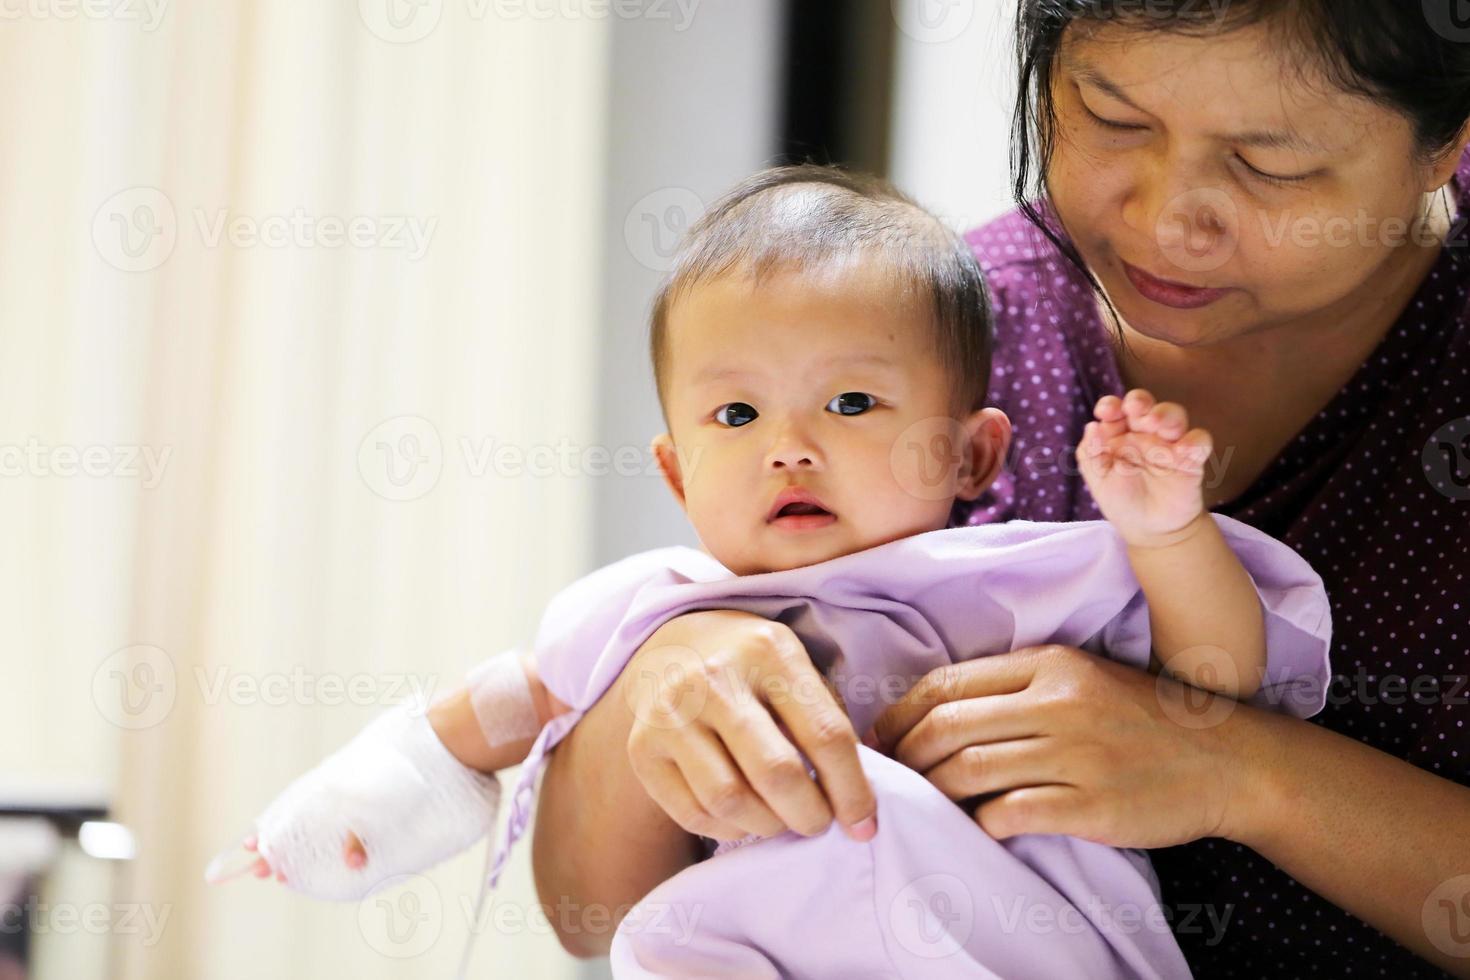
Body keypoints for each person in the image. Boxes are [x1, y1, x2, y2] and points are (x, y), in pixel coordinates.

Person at [533, 3, 1470, 977]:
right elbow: (581, 908)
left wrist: (1249, 773)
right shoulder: (925, 346)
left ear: (1447, 137)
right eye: (1113, 118)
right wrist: (674, 658)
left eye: (1269, 164)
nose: (1164, 219)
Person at [229, 166, 1329, 975]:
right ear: (675, 468)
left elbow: (1220, 678)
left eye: (851, 403)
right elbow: (479, 719)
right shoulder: (654, 616)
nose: (787, 445)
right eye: (736, 412)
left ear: (973, 452)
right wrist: (333, 826)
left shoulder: (1018, 580)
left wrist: (1165, 530)